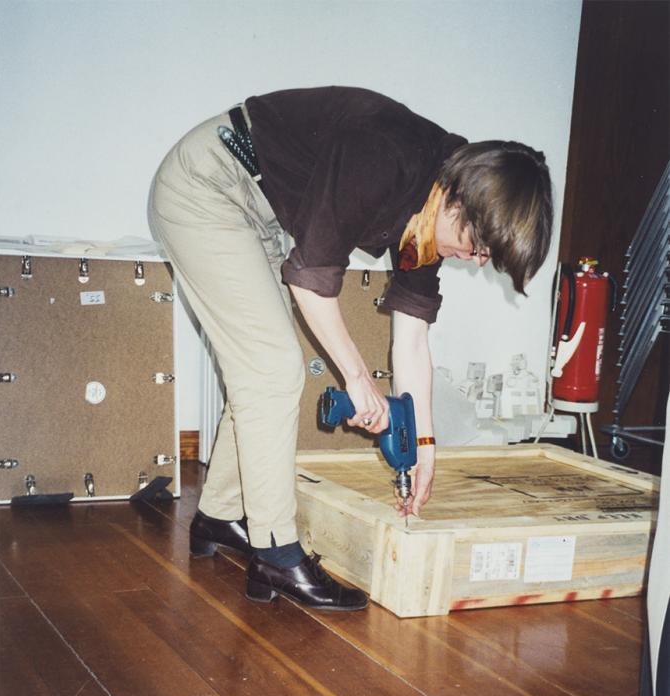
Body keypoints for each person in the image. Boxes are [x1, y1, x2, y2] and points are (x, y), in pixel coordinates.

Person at [149, 86, 553, 612]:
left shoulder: (435, 210)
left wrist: (426, 446)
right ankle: (275, 552)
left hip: (260, 209)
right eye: (478, 246)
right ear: (459, 199)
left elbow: (411, 336)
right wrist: (357, 378)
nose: (475, 261)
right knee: (272, 367)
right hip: (207, 183)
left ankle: (219, 515)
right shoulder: (387, 152)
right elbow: (312, 281)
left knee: (262, 366)